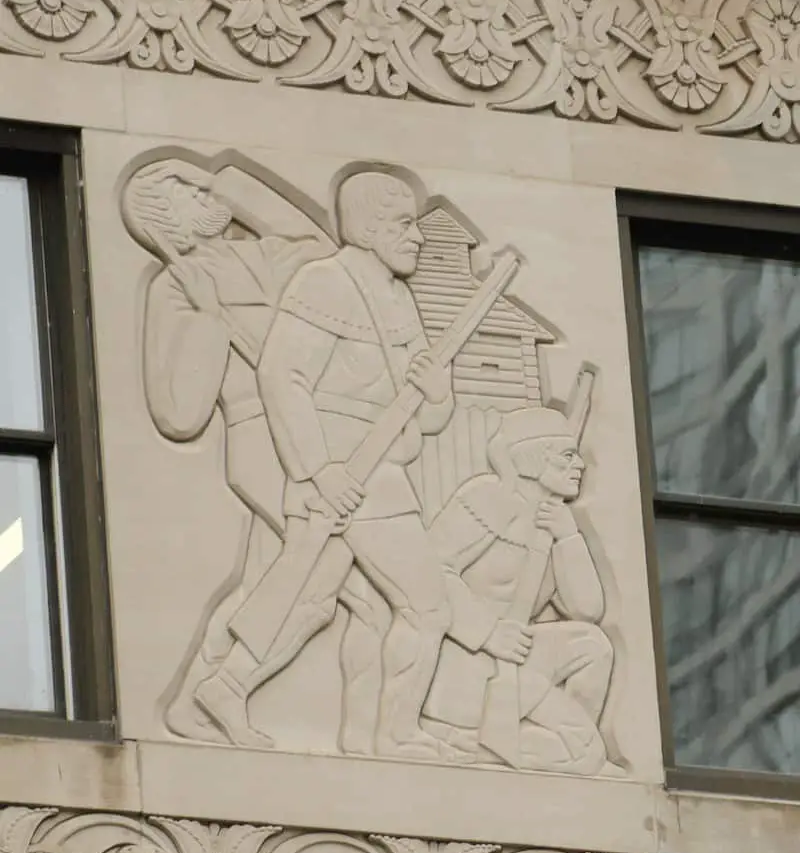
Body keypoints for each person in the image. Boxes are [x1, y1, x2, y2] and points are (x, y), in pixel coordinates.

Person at [195, 167, 459, 759]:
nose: (417, 236)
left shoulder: (400, 298)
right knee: (427, 603)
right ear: (366, 228)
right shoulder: (327, 283)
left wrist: (437, 389)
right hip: (346, 476)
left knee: (313, 601)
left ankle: (227, 684)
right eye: (402, 224)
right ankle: (397, 734)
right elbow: (281, 375)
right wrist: (317, 469)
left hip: (382, 471)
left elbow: (428, 417)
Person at [123, 159, 329, 741]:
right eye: (188, 191)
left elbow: (317, 244)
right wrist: (209, 317)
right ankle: (225, 690)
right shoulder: (174, 287)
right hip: (266, 444)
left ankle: (198, 698)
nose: (205, 193)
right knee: (325, 579)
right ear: (166, 217)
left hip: (316, 435)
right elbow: (178, 413)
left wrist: (227, 184)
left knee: (270, 584)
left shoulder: (263, 257)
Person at [422, 406, 616, 774]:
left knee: (593, 646)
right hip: (465, 662)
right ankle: (474, 739)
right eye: (567, 455)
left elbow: (588, 610)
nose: (580, 465)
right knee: (586, 755)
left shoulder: (555, 521)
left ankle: (527, 740)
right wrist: (489, 632)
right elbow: (431, 573)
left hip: (518, 664)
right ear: (534, 457)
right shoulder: (487, 498)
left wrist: (568, 537)